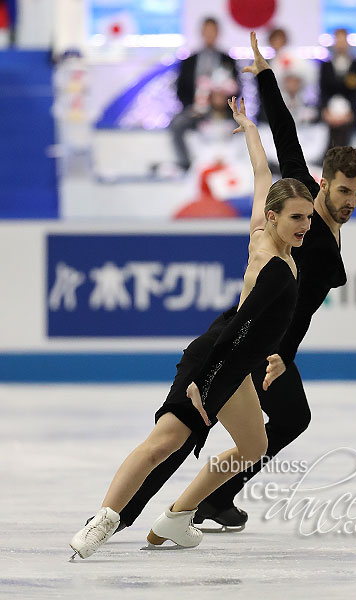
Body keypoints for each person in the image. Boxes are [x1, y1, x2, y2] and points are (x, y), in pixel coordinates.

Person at [113, 31, 356, 534]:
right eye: (343, 190)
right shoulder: (302, 215)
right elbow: (285, 136)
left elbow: (284, 130)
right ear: (324, 182)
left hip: (278, 348)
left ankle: (201, 505)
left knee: (286, 421)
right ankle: (133, 513)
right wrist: (265, 81)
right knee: (189, 432)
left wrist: (266, 76)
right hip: (257, 339)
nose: (351, 201)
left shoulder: (327, 218)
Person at [69, 96, 314, 558]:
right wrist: (207, 381)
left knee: (253, 443)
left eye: (306, 216)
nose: (304, 225)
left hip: (236, 362)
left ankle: (178, 518)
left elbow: (264, 177)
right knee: (166, 441)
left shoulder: (264, 232)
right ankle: (101, 521)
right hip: (217, 356)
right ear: (275, 217)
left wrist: (252, 132)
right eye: (297, 217)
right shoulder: (272, 263)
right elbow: (241, 325)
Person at [170, 17, 240, 172]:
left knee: (242, 127)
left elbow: (237, 87)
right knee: (177, 124)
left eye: (213, 31)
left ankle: (233, 163)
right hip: (195, 109)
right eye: (206, 31)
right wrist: (193, 106)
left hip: (222, 110)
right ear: (201, 33)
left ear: (218, 33)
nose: (209, 34)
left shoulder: (227, 59)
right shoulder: (190, 60)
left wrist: (222, 103)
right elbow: (180, 88)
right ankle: (186, 164)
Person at [319, 28, 356, 150]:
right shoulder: (326, 66)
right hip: (329, 113)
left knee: (347, 143)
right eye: (338, 40)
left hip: (349, 114)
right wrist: (326, 111)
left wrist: (349, 114)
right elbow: (322, 90)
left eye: (343, 40)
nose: (340, 44)